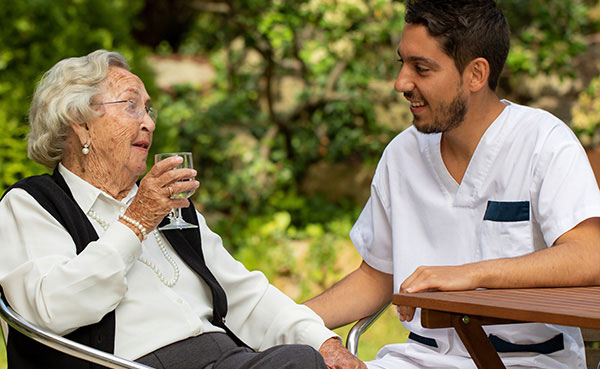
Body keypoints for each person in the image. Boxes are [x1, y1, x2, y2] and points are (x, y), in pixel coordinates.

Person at [0, 49, 363, 369]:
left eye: (148, 109)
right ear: (80, 125)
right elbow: (51, 309)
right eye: (130, 106)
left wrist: (323, 342)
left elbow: (244, 295)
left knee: (305, 359)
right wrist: (136, 222)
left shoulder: (169, 205)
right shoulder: (32, 205)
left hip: (226, 356)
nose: (149, 122)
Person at [305, 0, 600, 368]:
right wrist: (282, 321)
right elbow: (376, 277)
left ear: (476, 74)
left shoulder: (544, 142)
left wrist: (470, 275)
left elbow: (591, 254)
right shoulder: (402, 155)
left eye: (422, 68)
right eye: (402, 63)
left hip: (529, 361)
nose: (401, 83)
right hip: (416, 359)